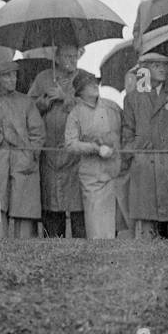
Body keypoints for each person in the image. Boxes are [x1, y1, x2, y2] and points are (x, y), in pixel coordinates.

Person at [120, 51, 168, 240]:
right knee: (145, 222)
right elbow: (127, 130)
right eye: (156, 65)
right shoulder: (133, 98)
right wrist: (134, 151)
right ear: (144, 69)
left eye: (164, 65)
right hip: (144, 166)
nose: (162, 69)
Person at [0, 58, 45, 239]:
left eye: (14, 75)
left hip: (23, 162)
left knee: (24, 207)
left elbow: (38, 132)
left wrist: (31, 155)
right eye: (7, 76)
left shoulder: (26, 102)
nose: (12, 79)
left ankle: (24, 248)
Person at [28, 45, 86, 237]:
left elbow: (92, 108)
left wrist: (66, 97)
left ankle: (80, 243)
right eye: (67, 55)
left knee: (78, 202)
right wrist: (42, 104)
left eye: (74, 55)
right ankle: (52, 241)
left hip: (75, 150)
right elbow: (29, 108)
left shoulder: (85, 78)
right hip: (50, 150)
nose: (72, 60)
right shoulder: (43, 78)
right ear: (57, 58)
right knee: (51, 199)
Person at [63, 73, 123, 239]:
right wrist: (95, 148)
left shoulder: (112, 107)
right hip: (92, 176)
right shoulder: (75, 113)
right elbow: (70, 144)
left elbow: (125, 131)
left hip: (114, 171)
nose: (94, 86)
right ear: (80, 91)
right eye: (89, 84)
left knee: (112, 225)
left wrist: (113, 145)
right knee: (96, 226)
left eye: (95, 83)